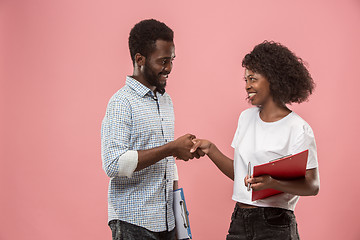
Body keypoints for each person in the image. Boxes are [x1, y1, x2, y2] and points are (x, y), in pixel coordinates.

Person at [191, 41, 320, 240]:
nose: (247, 86)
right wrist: (211, 149)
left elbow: (312, 186)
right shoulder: (245, 118)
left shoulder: (298, 129)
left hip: (275, 224)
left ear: (273, 80)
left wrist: (273, 183)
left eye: (252, 79)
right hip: (239, 220)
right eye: (245, 80)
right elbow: (241, 174)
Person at [101, 19, 203, 240]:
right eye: (163, 61)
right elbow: (113, 163)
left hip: (166, 221)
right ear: (140, 59)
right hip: (133, 222)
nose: (169, 68)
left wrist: (179, 217)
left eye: (172, 60)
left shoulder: (165, 101)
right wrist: (171, 148)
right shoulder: (121, 103)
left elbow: (169, 166)